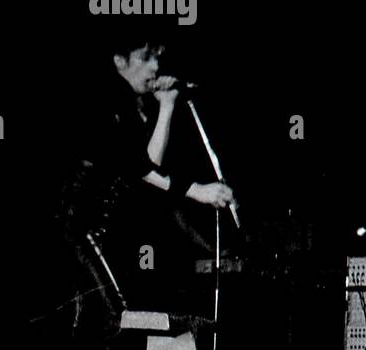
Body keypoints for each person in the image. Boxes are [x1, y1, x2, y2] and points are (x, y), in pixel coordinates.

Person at [61, 38, 236, 316]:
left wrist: (166, 106)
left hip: (93, 231)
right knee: (111, 317)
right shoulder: (101, 97)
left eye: (157, 58)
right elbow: (136, 168)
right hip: (75, 228)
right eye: (146, 57)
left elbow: (147, 164)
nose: (155, 66)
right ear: (120, 61)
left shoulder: (125, 102)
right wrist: (196, 190)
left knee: (108, 319)